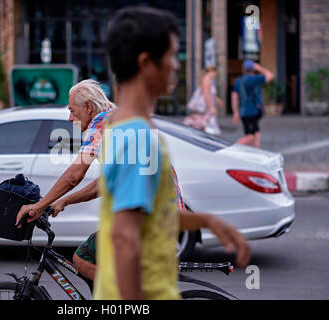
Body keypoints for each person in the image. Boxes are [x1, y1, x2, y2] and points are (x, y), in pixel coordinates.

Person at [91, 6, 249, 300]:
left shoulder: (122, 127)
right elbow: (125, 237)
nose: (177, 65)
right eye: (173, 55)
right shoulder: (137, 136)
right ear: (147, 62)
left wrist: (207, 221)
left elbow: (153, 217)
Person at [16, 79, 116, 224]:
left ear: (88, 107)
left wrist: (39, 206)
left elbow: (74, 175)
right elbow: (104, 183)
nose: (70, 119)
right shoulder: (114, 117)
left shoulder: (99, 123)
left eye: (72, 111)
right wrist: (64, 201)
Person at [231, 60, 274, 148]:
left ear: (243, 69)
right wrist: (259, 68)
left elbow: (234, 97)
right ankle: (234, 147)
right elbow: (270, 75)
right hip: (253, 111)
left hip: (244, 112)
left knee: (256, 133)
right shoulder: (256, 78)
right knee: (250, 136)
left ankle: (256, 151)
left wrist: (235, 112)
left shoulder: (238, 81)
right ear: (253, 69)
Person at [183, 66, 224, 135]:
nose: (215, 75)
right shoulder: (206, 80)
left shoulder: (208, 80)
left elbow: (210, 94)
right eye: (215, 73)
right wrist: (211, 107)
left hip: (206, 110)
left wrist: (217, 100)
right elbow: (206, 94)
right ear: (211, 71)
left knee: (206, 129)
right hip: (205, 109)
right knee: (210, 131)